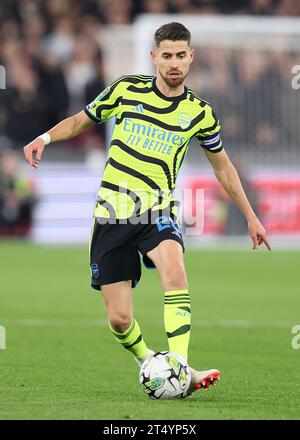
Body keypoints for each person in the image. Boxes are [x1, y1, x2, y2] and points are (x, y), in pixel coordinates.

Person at [23, 22, 271, 396]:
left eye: (181, 55)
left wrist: (251, 216)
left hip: (157, 210)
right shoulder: (126, 90)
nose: (174, 63)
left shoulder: (200, 113)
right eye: (167, 55)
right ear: (154, 57)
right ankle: (150, 363)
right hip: (111, 212)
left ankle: (181, 368)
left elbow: (223, 166)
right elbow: (80, 121)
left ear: (192, 57)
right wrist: (44, 137)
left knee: (175, 271)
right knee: (120, 319)